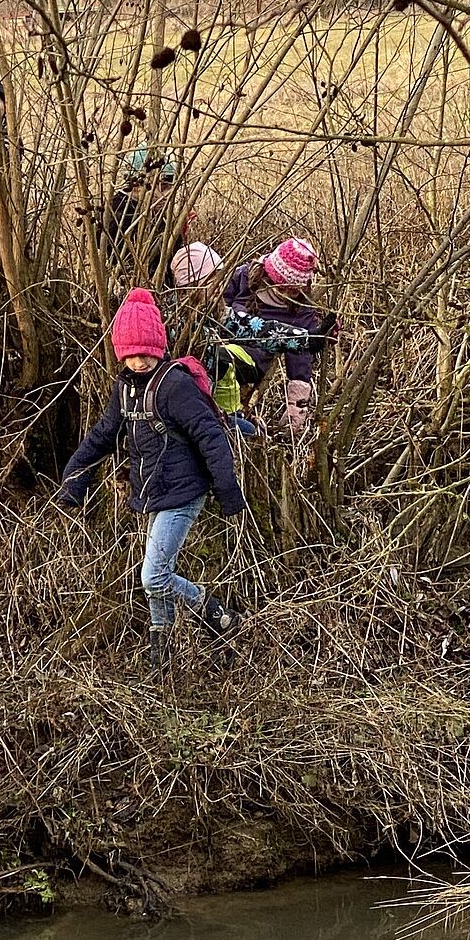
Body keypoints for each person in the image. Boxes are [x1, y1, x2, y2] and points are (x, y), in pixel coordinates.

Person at [56, 289, 244, 670]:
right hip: (155, 491)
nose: (139, 361)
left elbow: (210, 435)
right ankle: (163, 650)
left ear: (159, 348)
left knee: (153, 575)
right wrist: (73, 479)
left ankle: (217, 615)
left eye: (146, 353)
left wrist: (227, 490)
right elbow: (103, 435)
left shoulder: (174, 386)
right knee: (158, 573)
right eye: (131, 354)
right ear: (120, 353)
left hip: (184, 493)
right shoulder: (124, 389)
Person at [221, 236, 332, 445]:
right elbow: (219, 307)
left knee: (223, 361)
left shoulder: (301, 308)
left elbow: (301, 354)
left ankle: (230, 420)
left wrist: (296, 405)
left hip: (253, 359)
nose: (282, 294)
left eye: (289, 291)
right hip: (221, 340)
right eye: (280, 287)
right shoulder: (245, 276)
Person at [101, 144, 187, 286]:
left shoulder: (157, 214)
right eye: (163, 187)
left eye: (170, 187)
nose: (168, 195)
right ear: (137, 184)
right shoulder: (117, 216)